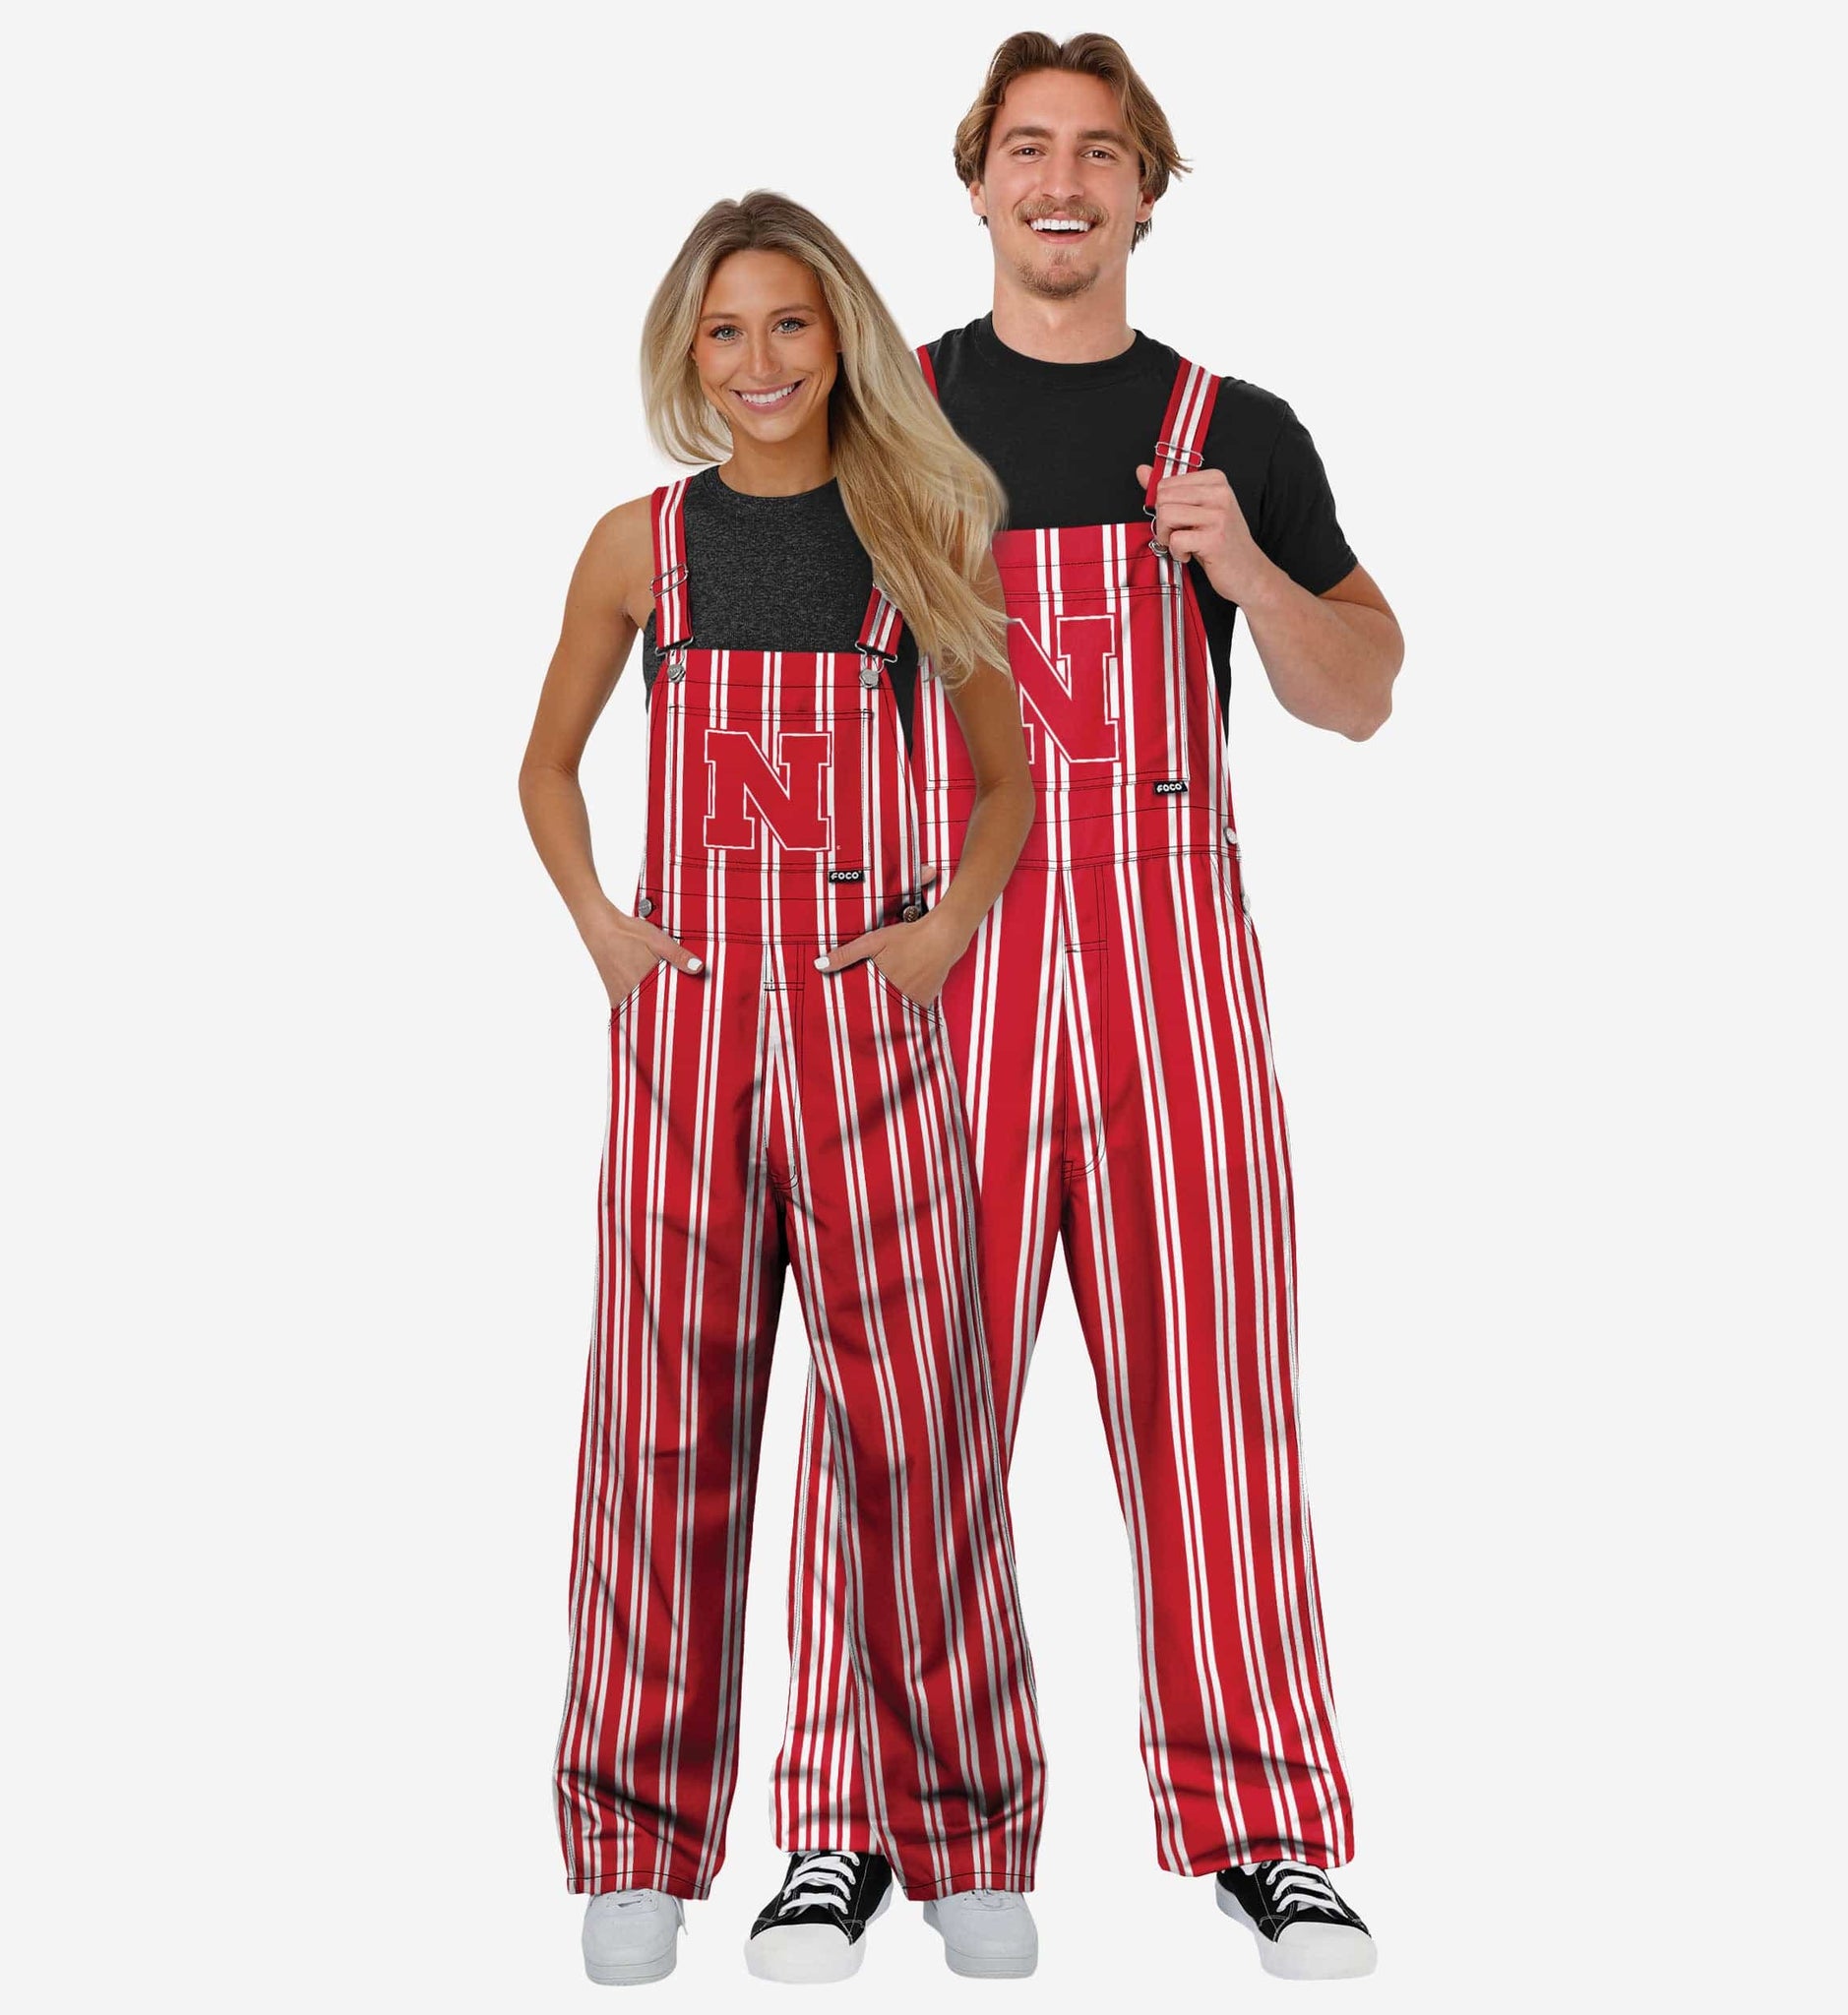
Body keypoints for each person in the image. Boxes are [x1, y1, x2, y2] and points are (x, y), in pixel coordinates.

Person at [769, 32, 1403, 1983]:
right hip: (938, 955)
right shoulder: (875, 423)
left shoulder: (1239, 429)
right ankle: (851, 1818)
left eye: (1100, 154)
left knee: (1214, 1400)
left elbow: (1363, 690)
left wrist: (1248, 570)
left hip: (1167, 973)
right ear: (976, 180)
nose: (1063, 183)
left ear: (1145, 188)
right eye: (1029, 149)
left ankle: (1267, 1827)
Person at [519, 190, 1047, 1987]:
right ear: (690, 350)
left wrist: (944, 934)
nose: (759, 361)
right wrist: (606, 933)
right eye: (726, 330)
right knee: (661, 1430)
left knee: (920, 1435)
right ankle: (636, 1848)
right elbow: (544, 765)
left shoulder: (923, 533)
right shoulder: (636, 546)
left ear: (843, 340)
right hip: (686, 1028)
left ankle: (966, 1842)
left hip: (863, 1027)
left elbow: (1006, 783)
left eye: (791, 325)